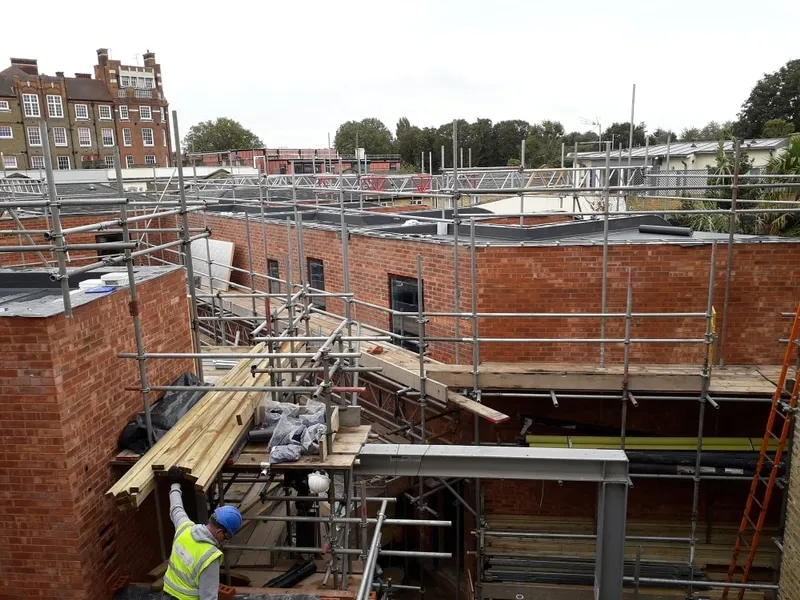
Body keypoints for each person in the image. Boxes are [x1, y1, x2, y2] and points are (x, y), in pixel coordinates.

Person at [162, 466, 243, 600]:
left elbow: (176, 508)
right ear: (219, 532)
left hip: (166, 594)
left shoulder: (184, 528)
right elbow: (208, 597)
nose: (225, 540)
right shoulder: (210, 557)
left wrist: (174, 483)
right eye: (227, 536)